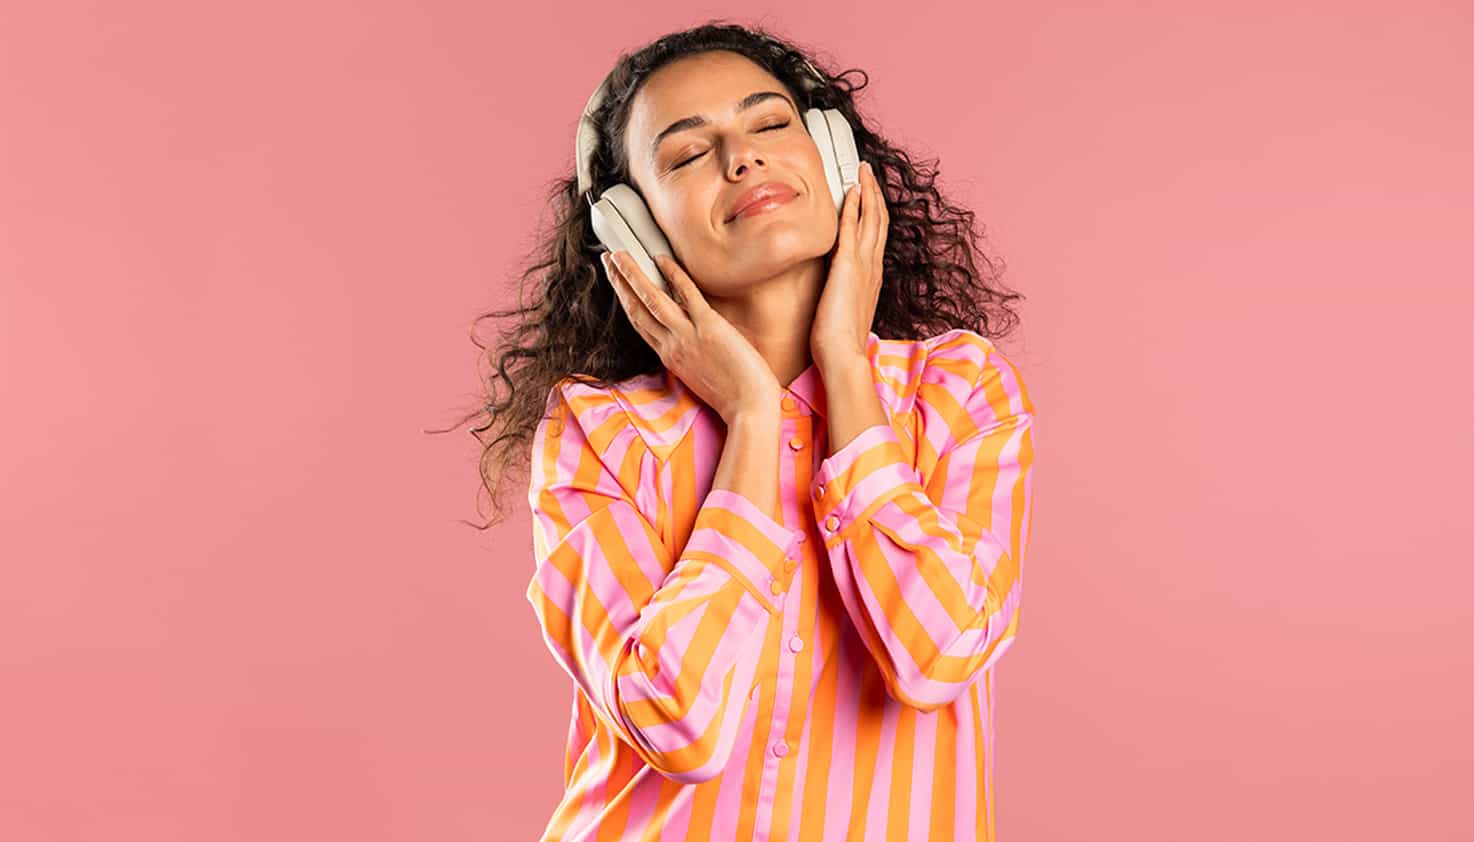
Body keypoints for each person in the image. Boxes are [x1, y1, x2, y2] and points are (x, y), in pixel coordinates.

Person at [468, 21, 1035, 841]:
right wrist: (752, 419)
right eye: (688, 154)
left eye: (770, 124)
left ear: (835, 157)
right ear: (634, 229)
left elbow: (939, 652)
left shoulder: (957, 392)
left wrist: (842, 362)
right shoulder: (600, 433)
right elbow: (673, 723)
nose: (742, 160)